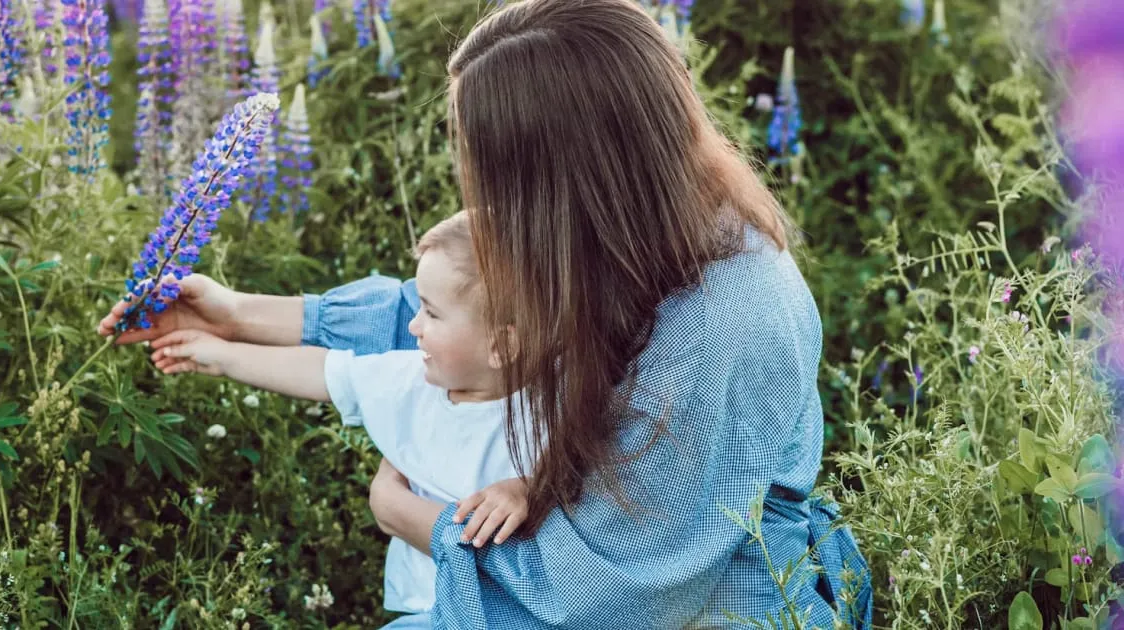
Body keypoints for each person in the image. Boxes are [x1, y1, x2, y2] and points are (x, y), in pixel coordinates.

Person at [99, 0, 873, 627]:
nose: (482, 199)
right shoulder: (641, 231)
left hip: (700, 608)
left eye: (497, 172)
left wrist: (418, 522)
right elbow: (454, 314)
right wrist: (235, 315)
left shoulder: (724, 321)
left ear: (574, 172)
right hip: (583, 579)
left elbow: (609, 598)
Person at [130, 213, 534, 626]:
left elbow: (585, 474)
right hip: (427, 607)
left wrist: (526, 487)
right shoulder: (410, 380)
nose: (413, 325)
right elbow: (323, 371)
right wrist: (221, 354)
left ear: (500, 345)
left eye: (431, 313)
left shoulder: (552, 407)